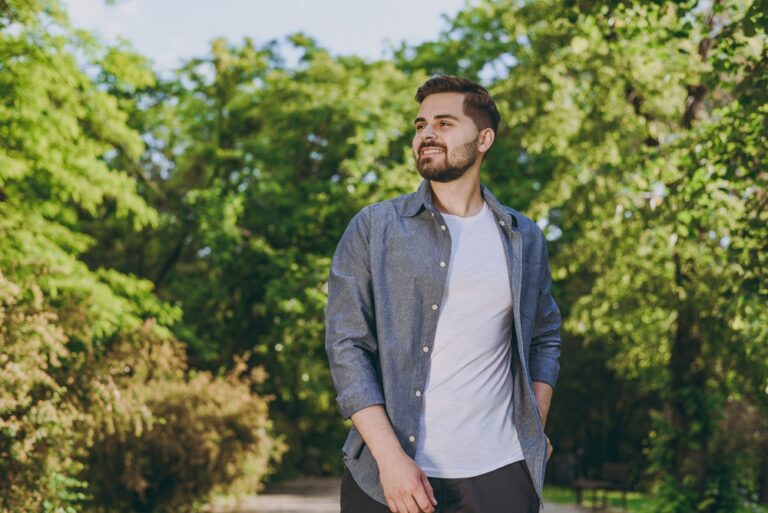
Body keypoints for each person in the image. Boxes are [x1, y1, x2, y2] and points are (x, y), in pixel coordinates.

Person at [325, 75, 562, 513]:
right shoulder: (375, 227)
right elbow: (346, 346)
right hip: (391, 477)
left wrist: (535, 424)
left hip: (502, 472)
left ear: (484, 138)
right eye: (420, 125)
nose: (427, 133)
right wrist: (391, 459)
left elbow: (546, 335)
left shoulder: (523, 237)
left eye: (444, 123)